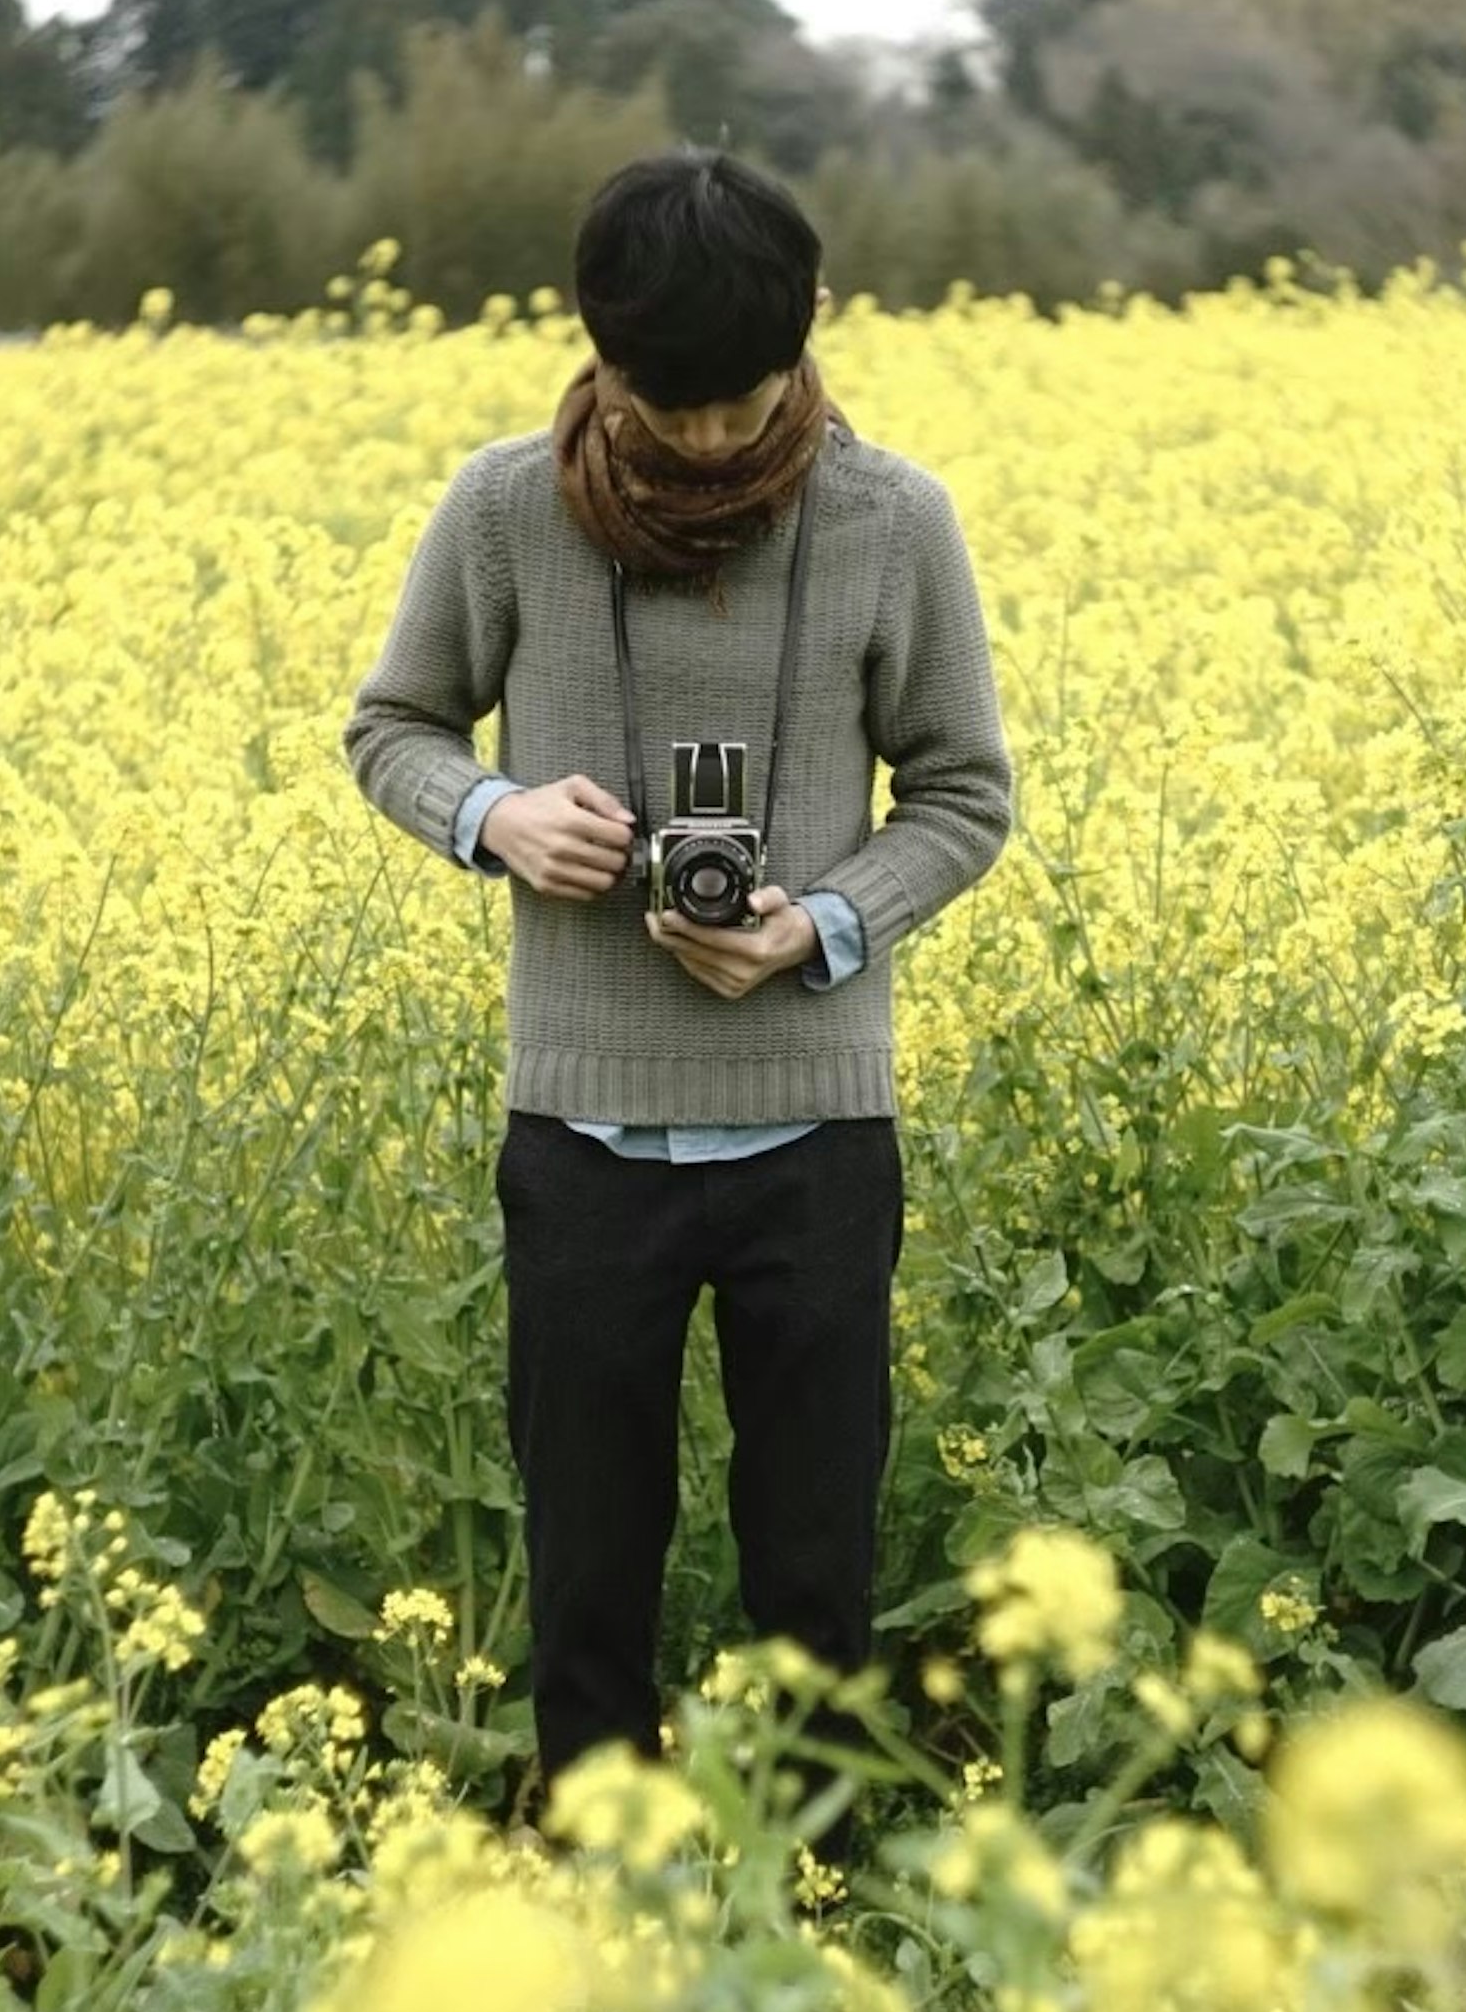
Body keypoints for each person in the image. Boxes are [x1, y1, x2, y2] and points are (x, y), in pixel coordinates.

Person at [341, 148, 1014, 1806]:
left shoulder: (890, 519)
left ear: (815, 332)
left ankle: (820, 1881)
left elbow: (963, 794)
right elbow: (390, 727)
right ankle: (595, 1872)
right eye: (667, 401)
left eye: (742, 396)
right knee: (586, 1556)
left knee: (814, 1558)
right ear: (596, 346)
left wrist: (820, 924)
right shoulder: (504, 509)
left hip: (814, 1130)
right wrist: (496, 814)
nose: (708, 435)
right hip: (582, 1126)